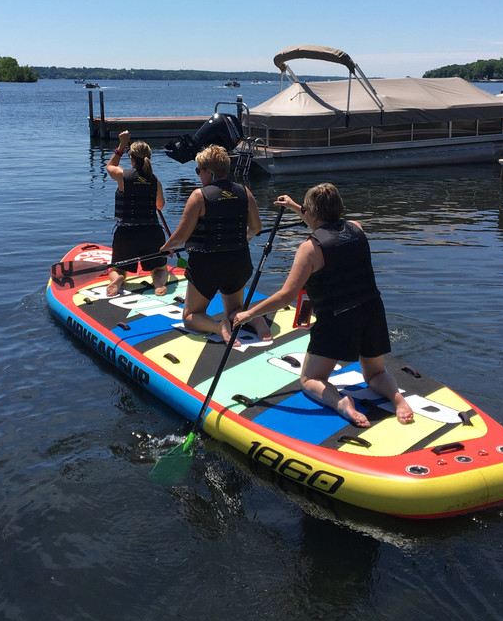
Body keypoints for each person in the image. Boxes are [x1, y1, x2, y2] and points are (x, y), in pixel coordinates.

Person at [231, 183, 414, 427]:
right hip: (371, 311)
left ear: (312, 212)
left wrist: (250, 313)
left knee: (310, 379)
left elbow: (286, 296)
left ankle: (341, 403)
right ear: (340, 208)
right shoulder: (357, 228)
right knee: (375, 373)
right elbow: (328, 227)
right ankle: (398, 399)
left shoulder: (309, 249)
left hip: (338, 320)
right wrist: (295, 206)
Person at [160, 144, 272, 344]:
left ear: (209, 172)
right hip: (238, 262)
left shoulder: (199, 196)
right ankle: (255, 320)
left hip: (207, 266)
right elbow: (256, 228)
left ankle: (218, 326)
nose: (198, 175)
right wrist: (242, 238)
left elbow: (181, 237)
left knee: (190, 316)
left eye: (198, 171)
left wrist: (165, 248)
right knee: (234, 310)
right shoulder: (245, 192)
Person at [106, 130, 169, 297]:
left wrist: (121, 145)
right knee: (159, 269)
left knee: (117, 268)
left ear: (131, 159)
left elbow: (109, 167)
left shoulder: (122, 176)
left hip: (126, 234)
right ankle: (158, 282)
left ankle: (118, 279)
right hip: (151, 233)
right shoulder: (155, 181)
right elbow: (160, 205)